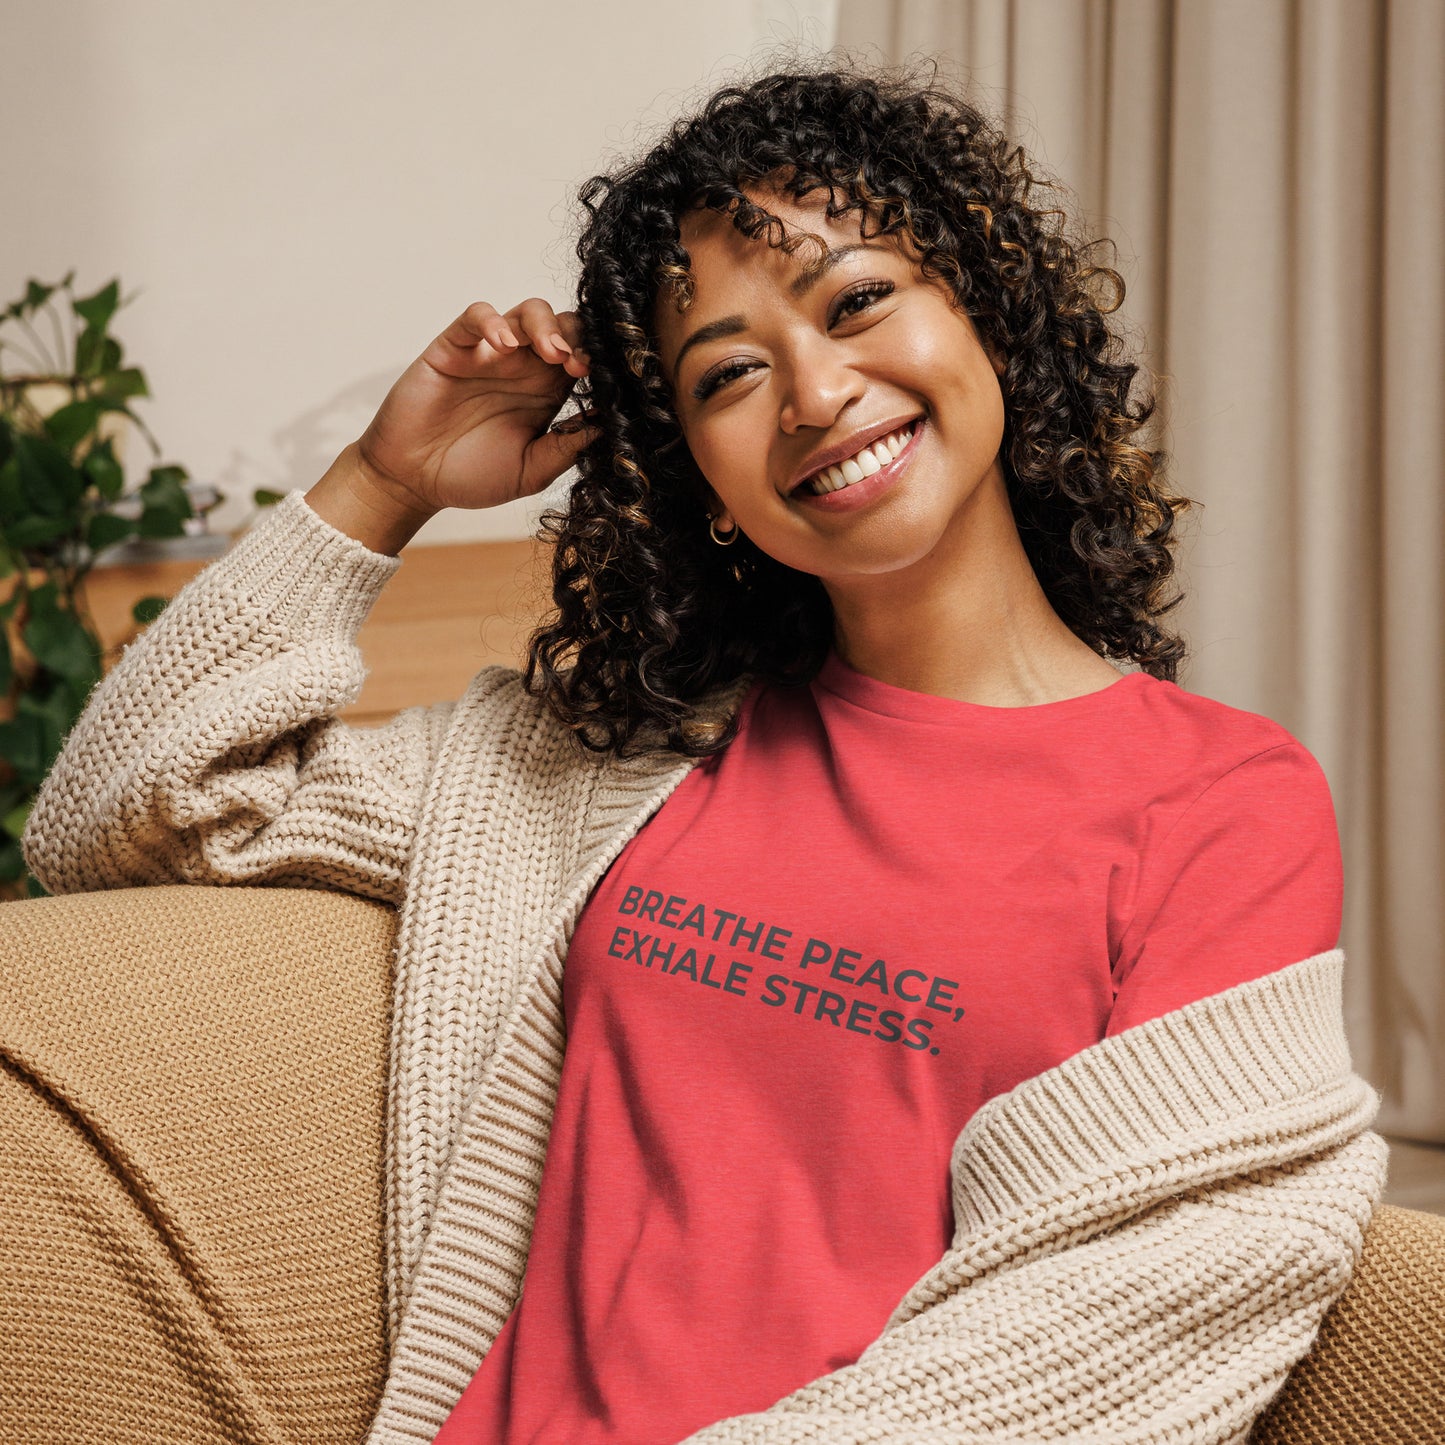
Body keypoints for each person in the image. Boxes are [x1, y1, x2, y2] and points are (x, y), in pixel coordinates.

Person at [16, 59, 1386, 1445]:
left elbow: (1132, 1303)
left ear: (986, 314)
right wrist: (381, 484)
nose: (811, 390)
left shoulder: (1216, 801)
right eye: (728, 371)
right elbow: (128, 813)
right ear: (702, 480)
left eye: (858, 301)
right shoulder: (615, 762)